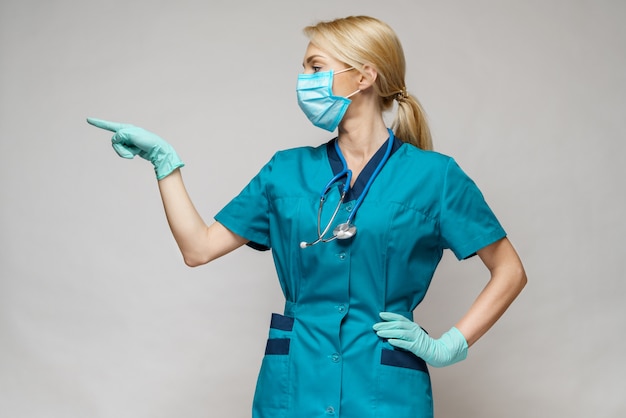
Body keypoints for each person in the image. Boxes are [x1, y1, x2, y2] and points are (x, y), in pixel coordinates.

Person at [87, 15, 526, 418]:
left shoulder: (435, 177)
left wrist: (449, 345)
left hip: (383, 388)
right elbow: (198, 249)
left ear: (364, 75)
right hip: (294, 385)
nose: (304, 81)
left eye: (316, 67)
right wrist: (166, 164)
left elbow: (509, 271)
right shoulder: (286, 171)